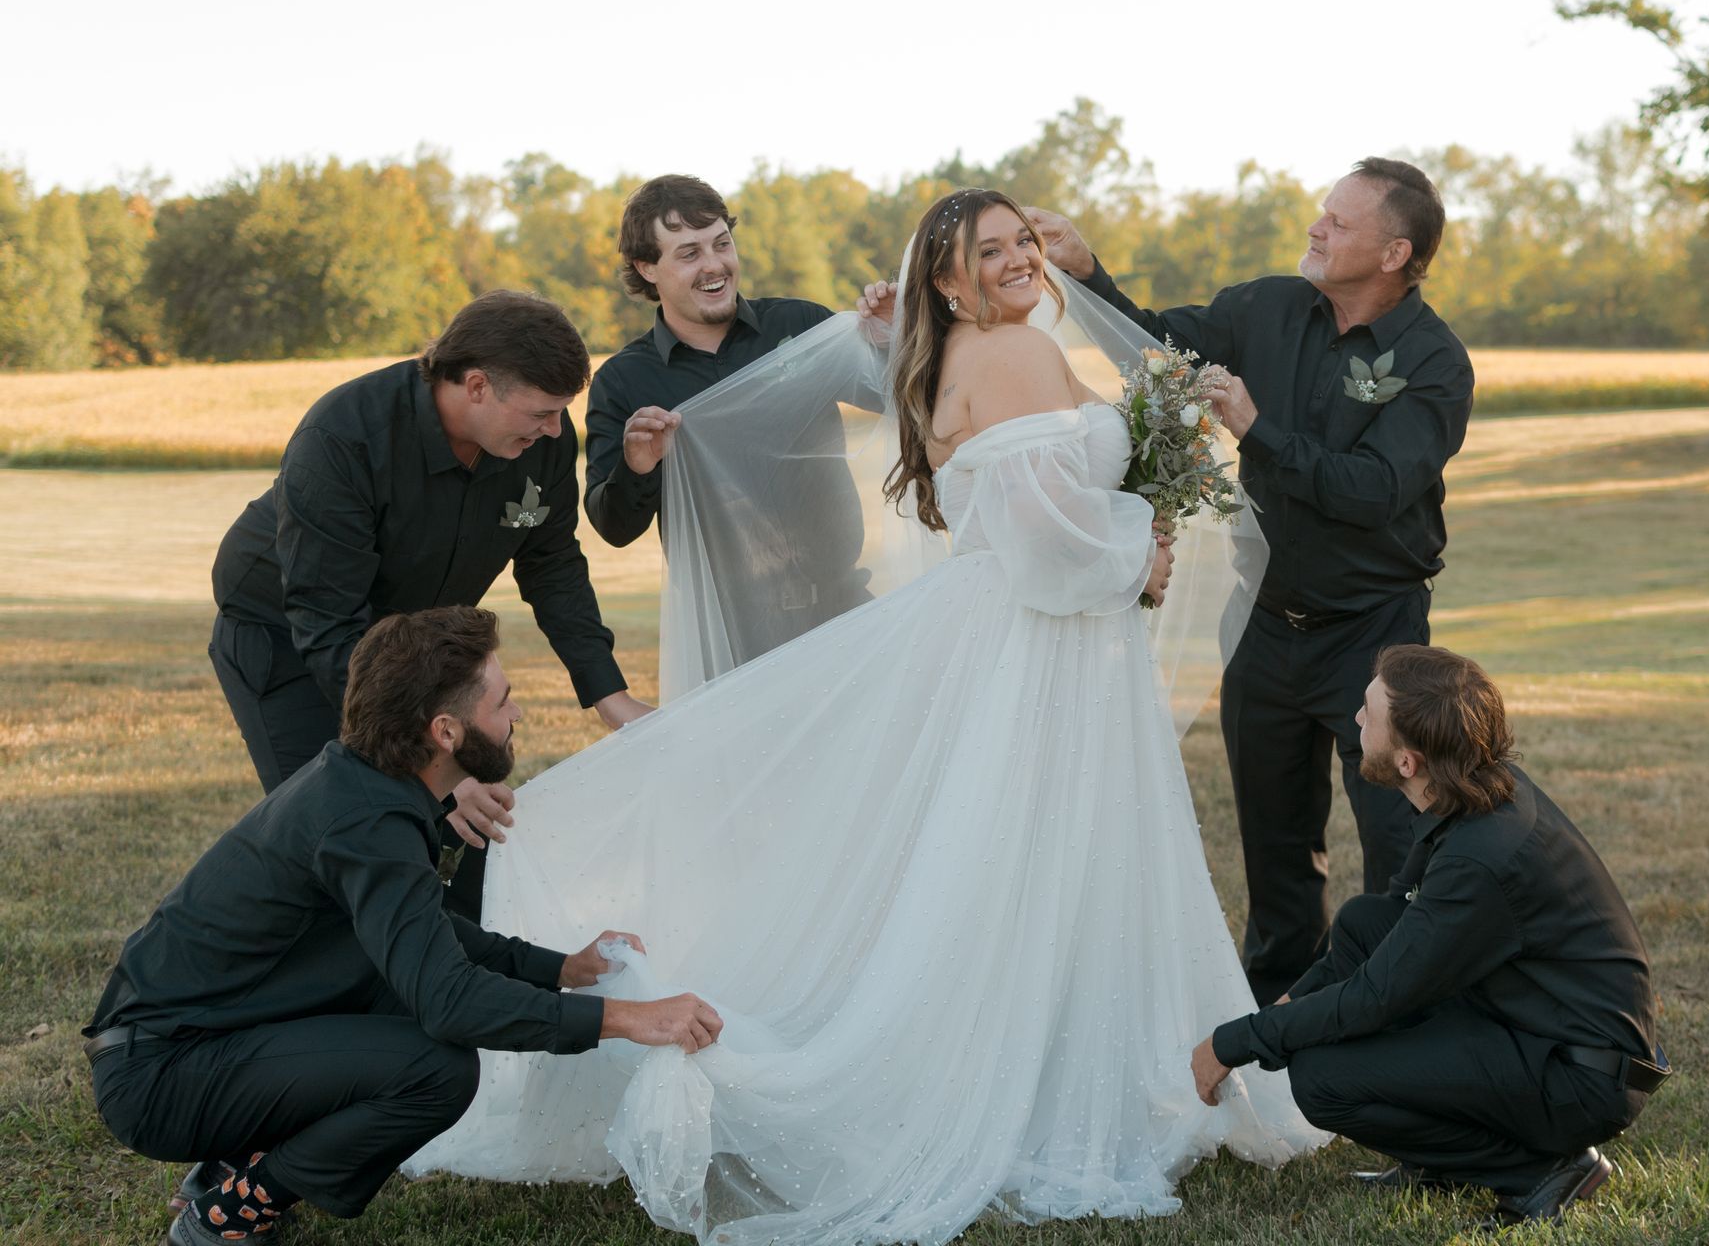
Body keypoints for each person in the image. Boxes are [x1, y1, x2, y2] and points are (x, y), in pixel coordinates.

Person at [407, 189, 1326, 1244]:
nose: (1021, 258)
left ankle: (1023, 1046)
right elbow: (1044, 538)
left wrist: (898, 336)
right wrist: (1139, 551)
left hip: (959, 619)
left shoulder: (868, 334)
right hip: (1030, 628)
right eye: (990, 249)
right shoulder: (652, 378)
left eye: (1024, 239)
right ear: (647, 270)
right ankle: (997, 1066)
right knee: (1019, 850)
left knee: (998, 851)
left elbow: (928, 409)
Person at [85, 606, 721, 1245]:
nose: (517, 715)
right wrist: (629, 1020)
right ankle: (229, 1211)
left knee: (399, 989)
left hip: (186, 1044)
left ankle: (231, 1161)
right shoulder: (369, 823)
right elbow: (451, 1002)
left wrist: (562, 968)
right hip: (161, 1075)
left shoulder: (364, 787)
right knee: (435, 1071)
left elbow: (427, 936)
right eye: (504, 701)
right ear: (446, 732)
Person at [1028, 159, 1474, 1003]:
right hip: (1266, 623)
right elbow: (1158, 348)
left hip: (1373, 635)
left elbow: (1373, 491)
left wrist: (1257, 430)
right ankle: (1277, 1004)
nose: (1317, 229)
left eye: (1339, 223)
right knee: (1273, 841)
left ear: (1393, 253)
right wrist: (1086, 274)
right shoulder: (1266, 306)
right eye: (1322, 214)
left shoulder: (1434, 362)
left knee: (1394, 836)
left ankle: (1390, 1002)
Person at [1189, 645, 1669, 1228]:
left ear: (1408, 761)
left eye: (1370, 713)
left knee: (1322, 1081)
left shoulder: (1480, 860)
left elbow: (1372, 998)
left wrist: (1236, 1041)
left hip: (1578, 1076)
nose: (1357, 719)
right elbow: (1388, 922)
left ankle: (1540, 1173)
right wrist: (1290, 1007)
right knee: (1366, 920)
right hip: (1532, 1022)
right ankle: (1437, 1157)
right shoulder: (1474, 786)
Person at [209, 291, 651, 915]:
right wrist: (432, 767)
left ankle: (453, 972)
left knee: (462, 824)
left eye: (561, 413)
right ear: (476, 387)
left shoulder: (539, 442)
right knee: (346, 829)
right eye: (542, 413)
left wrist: (610, 696)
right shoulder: (344, 435)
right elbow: (329, 628)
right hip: (288, 638)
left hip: (412, 651)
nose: (556, 431)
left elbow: (551, 564)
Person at [584, 175, 872, 653]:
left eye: (722, 244)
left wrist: (891, 337)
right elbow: (613, 528)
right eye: (689, 253)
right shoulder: (623, 382)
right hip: (728, 640)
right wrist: (637, 466)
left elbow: (905, 398)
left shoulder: (802, 326)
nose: (714, 264)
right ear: (647, 268)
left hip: (848, 612)